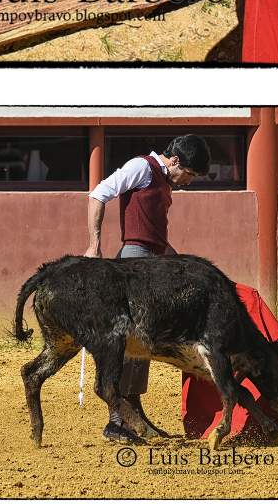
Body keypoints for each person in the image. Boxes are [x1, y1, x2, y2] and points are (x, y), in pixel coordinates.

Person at [84, 134, 211, 444]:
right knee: (130, 340)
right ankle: (117, 421)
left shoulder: (162, 179)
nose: (188, 182)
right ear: (175, 161)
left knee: (144, 341)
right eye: (189, 174)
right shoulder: (142, 167)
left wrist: (180, 264)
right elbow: (99, 194)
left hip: (154, 261)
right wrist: (94, 246)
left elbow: (156, 237)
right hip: (135, 261)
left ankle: (134, 415)